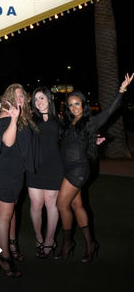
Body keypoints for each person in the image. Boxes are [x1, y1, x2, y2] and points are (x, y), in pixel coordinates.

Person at [55, 73, 134, 262]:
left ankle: (67, 243)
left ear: (83, 104)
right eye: (70, 104)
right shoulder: (67, 123)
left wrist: (121, 91)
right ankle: (91, 243)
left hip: (79, 169)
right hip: (67, 168)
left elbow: (109, 112)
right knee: (77, 204)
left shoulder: (90, 122)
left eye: (77, 103)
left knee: (61, 204)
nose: (74, 107)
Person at [0, 83, 41, 277]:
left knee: (11, 211)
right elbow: (8, 142)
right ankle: (2, 256)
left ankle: (11, 245)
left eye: (23, 96)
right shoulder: (6, 115)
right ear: (9, 97)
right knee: (3, 215)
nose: (21, 99)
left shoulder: (22, 116)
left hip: (16, 173)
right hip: (3, 173)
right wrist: (14, 118)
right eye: (18, 96)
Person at [25, 86, 63, 259]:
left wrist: (92, 139)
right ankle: (39, 237)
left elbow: (72, 138)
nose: (38, 102)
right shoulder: (31, 119)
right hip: (35, 167)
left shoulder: (60, 120)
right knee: (35, 205)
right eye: (36, 99)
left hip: (54, 167)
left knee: (51, 204)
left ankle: (49, 240)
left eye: (41, 98)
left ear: (49, 98)